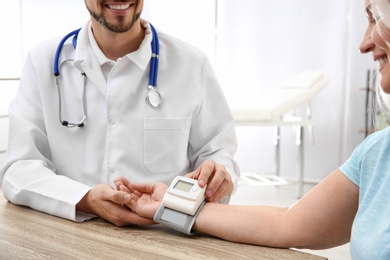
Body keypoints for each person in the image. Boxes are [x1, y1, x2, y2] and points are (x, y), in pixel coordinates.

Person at [113, 0, 390, 258]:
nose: (363, 44)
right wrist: (170, 203)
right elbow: (284, 223)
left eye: (375, 17)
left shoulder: (189, 62)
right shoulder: (376, 153)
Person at [0, 1, 239, 226]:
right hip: (70, 239)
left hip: (166, 240)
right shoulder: (42, 61)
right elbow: (19, 169)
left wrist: (218, 174)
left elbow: (217, 151)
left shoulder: (191, 64)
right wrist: (85, 200)